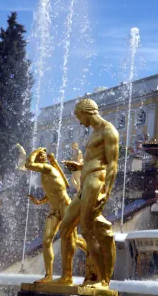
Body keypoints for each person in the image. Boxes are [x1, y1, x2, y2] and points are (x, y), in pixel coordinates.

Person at [55, 98, 119, 288]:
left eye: (79, 116)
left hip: (95, 182)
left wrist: (105, 193)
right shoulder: (94, 133)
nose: (79, 121)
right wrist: (80, 166)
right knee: (65, 228)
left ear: (86, 112)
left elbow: (113, 165)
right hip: (86, 183)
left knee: (87, 230)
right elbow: (95, 159)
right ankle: (66, 277)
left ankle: (101, 280)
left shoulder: (109, 130)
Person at [25, 148, 86, 283]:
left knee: (73, 239)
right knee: (46, 241)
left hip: (65, 206)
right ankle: (48, 275)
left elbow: (28, 164)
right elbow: (56, 190)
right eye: (39, 156)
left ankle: (92, 254)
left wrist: (36, 150)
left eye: (42, 156)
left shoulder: (47, 168)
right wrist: (39, 201)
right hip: (53, 210)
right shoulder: (45, 173)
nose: (40, 157)